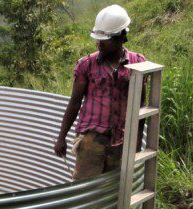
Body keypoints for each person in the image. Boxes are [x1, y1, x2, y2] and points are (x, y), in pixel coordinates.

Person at [53, 4, 147, 180]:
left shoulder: (137, 63)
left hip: (122, 141)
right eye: (98, 39)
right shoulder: (86, 65)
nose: (99, 43)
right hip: (92, 142)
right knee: (84, 192)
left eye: (105, 39)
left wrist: (136, 146)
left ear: (120, 37)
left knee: (115, 193)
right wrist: (61, 137)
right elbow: (74, 103)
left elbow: (140, 107)